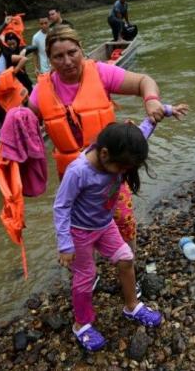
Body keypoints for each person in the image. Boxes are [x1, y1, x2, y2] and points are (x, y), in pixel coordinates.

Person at [28, 25, 168, 257]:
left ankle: (128, 262)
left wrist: (151, 100)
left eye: (72, 52)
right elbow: (26, 125)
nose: (67, 61)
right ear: (49, 60)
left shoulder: (101, 72)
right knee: (78, 226)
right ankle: (86, 268)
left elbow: (145, 81)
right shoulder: (40, 90)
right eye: (58, 56)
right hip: (73, 174)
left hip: (110, 169)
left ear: (81, 49)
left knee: (123, 219)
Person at [54, 122, 180, 351]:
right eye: (122, 168)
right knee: (86, 275)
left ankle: (131, 305)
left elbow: (140, 134)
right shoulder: (78, 171)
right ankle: (81, 324)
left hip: (104, 224)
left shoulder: (118, 153)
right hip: (80, 232)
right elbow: (61, 207)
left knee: (126, 258)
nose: (124, 173)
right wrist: (65, 244)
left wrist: (159, 116)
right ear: (104, 154)